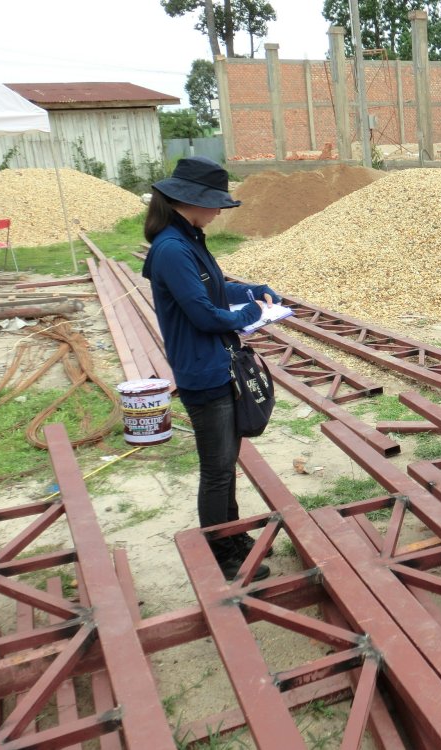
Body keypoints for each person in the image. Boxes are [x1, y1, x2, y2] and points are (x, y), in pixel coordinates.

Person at [142, 156, 280, 581]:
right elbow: (204, 313)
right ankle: (221, 557)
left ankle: (230, 536)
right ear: (193, 202)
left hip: (217, 365)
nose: (220, 212)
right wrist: (252, 314)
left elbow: (216, 288)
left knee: (226, 462)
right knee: (217, 471)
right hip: (203, 372)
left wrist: (251, 290)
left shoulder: (190, 239)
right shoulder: (171, 249)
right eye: (217, 203)